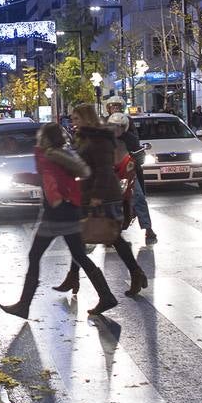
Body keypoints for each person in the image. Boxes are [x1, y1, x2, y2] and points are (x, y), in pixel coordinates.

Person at [0, 123, 115, 319]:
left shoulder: (48, 156)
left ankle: (24, 305)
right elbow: (52, 179)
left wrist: (54, 199)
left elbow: (51, 181)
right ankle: (106, 296)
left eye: (40, 136)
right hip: (70, 211)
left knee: (35, 255)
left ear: (45, 138)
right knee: (80, 256)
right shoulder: (62, 154)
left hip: (55, 214)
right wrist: (26, 178)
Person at [53, 103, 147, 308]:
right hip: (87, 193)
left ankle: (101, 287)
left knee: (103, 236)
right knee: (107, 237)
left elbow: (105, 169)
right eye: (72, 119)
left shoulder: (99, 138)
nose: (72, 122)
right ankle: (131, 274)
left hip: (104, 195)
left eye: (76, 118)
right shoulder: (83, 136)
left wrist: (96, 196)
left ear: (86, 118)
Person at [108, 112, 157, 244]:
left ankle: (148, 228)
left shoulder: (131, 138)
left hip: (128, 172)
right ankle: (108, 231)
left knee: (139, 197)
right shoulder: (105, 139)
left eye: (119, 126)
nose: (116, 129)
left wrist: (139, 156)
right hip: (112, 173)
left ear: (125, 127)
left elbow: (139, 155)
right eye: (113, 126)